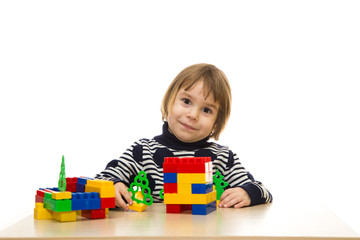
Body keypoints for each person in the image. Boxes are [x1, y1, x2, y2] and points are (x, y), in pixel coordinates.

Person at [95, 63, 273, 210]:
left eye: (206, 110)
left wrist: (247, 193)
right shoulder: (142, 151)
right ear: (169, 100)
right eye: (186, 101)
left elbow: (263, 191)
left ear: (217, 123)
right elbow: (102, 178)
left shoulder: (223, 158)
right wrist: (115, 185)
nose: (193, 115)